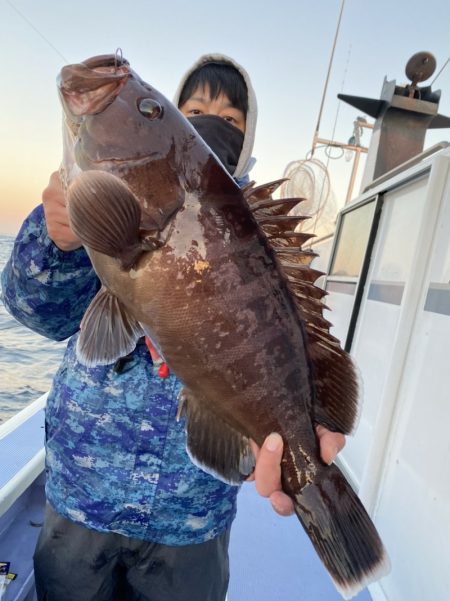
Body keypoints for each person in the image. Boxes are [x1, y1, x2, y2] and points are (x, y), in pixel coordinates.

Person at [1, 54, 345, 601]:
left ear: (246, 139)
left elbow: (281, 342)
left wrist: (298, 431)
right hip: (83, 499)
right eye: (194, 109)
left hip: (192, 524)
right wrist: (59, 239)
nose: (212, 121)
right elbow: (38, 314)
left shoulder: (253, 229)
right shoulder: (100, 213)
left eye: (231, 119)